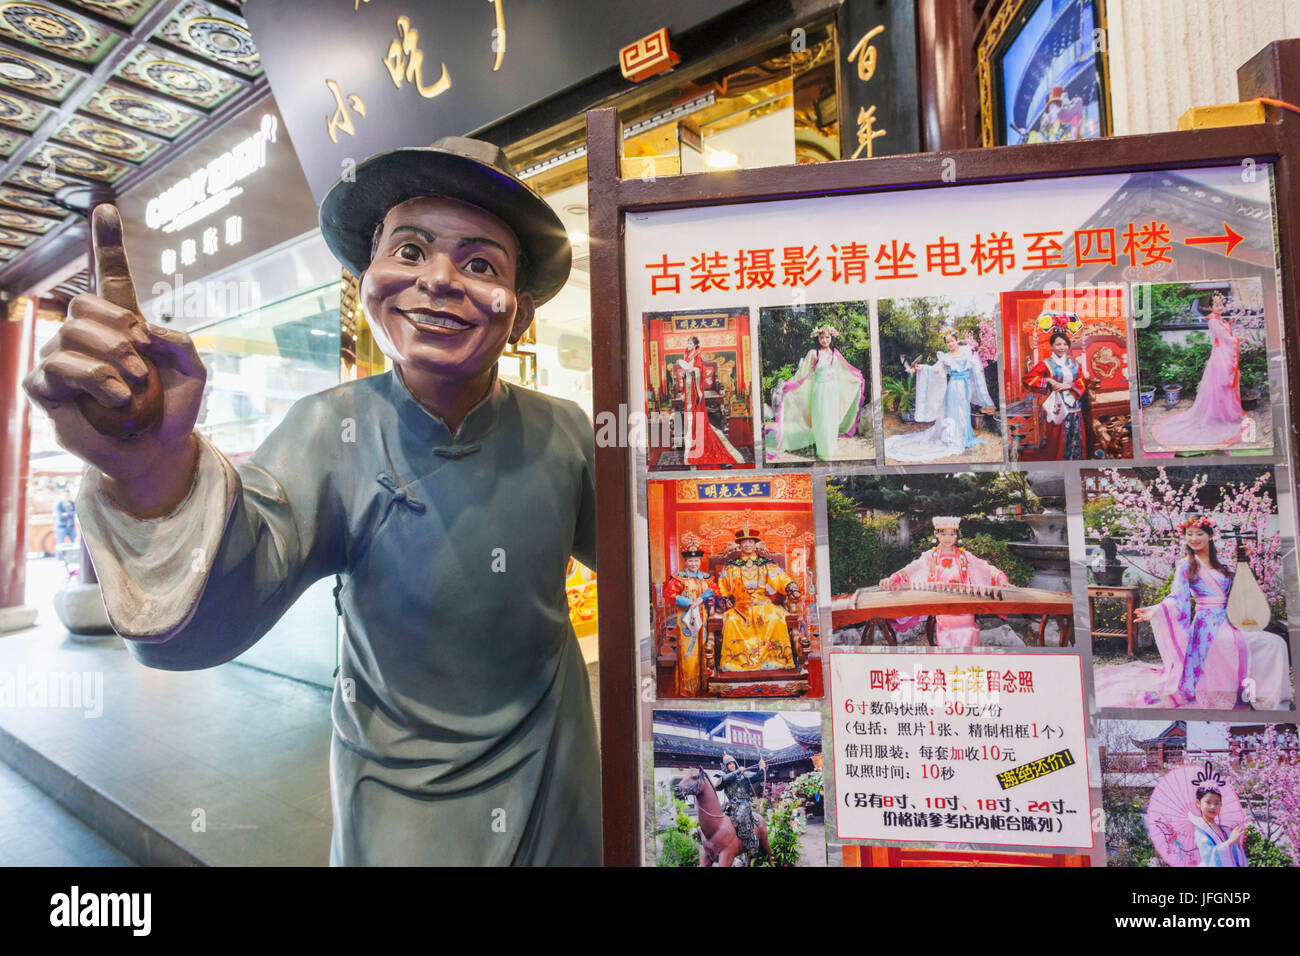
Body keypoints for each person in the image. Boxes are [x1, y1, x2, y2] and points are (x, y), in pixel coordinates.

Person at [22, 137, 600, 866]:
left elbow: (649, 566)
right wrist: (149, 467)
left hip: (556, 767)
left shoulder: (566, 432)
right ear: (367, 281)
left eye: (481, 264)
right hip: (397, 792)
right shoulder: (331, 428)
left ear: (521, 314)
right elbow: (231, 590)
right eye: (411, 251)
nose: (439, 280)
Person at [1133, 517, 1288, 710]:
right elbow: (1177, 596)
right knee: (1249, 645)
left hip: (1231, 618)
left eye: (1199, 534)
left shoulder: (1223, 564)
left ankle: (1270, 698)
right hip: (1206, 626)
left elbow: (1242, 589)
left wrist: (1245, 562)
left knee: (1275, 643)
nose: (1194, 538)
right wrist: (1157, 609)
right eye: (1189, 534)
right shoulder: (1186, 564)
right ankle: (1238, 693)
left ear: (1211, 536)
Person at [879, 516, 1009, 647]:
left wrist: (1002, 579)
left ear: (957, 535)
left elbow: (985, 568)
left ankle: (968, 657)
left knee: (969, 628)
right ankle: (948, 657)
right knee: (947, 629)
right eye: (943, 534)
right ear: (936, 534)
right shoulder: (931, 556)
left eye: (952, 534)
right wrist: (893, 578)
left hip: (963, 602)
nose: (948, 538)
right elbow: (912, 568)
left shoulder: (964, 556)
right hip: (942, 603)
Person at [885, 329, 996, 463]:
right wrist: (923, 368)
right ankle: (954, 438)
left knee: (964, 410)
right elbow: (936, 369)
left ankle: (965, 436)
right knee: (954, 411)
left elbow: (975, 369)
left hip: (966, 387)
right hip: (954, 387)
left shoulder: (966, 352)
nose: (950, 344)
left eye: (952, 341)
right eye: (948, 343)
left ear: (957, 340)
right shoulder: (946, 357)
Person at [1151, 292, 1245, 449]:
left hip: (1224, 354)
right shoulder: (1213, 320)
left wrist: (1230, 323)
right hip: (1221, 356)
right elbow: (1224, 338)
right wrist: (1238, 339)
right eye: (1216, 305)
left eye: (1221, 304)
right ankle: (1218, 417)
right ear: (1210, 307)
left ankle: (1226, 415)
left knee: (1225, 386)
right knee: (1221, 384)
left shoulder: (1220, 319)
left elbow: (1224, 332)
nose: (1220, 307)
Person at [767, 324, 865, 461]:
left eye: (827, 337)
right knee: (821, 419)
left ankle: (830, 448)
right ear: (817, 338)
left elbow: (843, 372)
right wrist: (790, 384)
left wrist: (856, 378)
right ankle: (823, 450)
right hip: (820, 390)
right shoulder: (814, 353)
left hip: (833, 391)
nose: (825, 340)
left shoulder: (835, 354)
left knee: (831, 419)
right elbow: (803, 373)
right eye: (822, 337)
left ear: (832, 338)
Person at [716, 526, 801, 672]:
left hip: (762, 603)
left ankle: (773, 660)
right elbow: (722, 586)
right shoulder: (731, 566)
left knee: (775, 618)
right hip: (740, 605)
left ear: (755, 544)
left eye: (750, 542)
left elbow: (780, 578)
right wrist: (725, 599)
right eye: (744, 542)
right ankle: (737, 661)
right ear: (740, 545)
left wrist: (791, 588)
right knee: (731, 621)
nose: (747, 545)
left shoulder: (766, 564)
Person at [661, 533, 716, 696]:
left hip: (703, 617)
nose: (693, 563)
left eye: (696, 560)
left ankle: (704, 684)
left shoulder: (706, 578)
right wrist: (688, 602)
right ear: (685, 562)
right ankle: (689, 687)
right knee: (688, 651)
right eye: (690, 561)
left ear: (700, 561)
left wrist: (702, 598)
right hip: (685, 618)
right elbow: (669, 594)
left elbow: (714, 590)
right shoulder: (679, 578)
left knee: (704, 647)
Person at [675, 335, 744, 467]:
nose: (689, 345)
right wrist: (684, 373)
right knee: (690, 415)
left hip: (694, 391)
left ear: (696, 345)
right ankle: (691, 434)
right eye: (688, 343)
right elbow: (687, 371)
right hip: (688, 391)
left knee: (697, 414)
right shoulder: (687, 356)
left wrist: (692, 370)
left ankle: (697, 436)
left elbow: (700, 370)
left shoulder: (697, 357)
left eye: (691, 344)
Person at [1023, 329, 1086, 460]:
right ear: (1051, 346)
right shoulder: (1046, 364)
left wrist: (1069, 386)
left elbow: (1082, 380)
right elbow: (1028, 379)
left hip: (1074, 404)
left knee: (1076, 433)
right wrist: (1048, 380)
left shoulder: (1073, 363)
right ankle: (1059, 460)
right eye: (1058, 344)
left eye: (1065, 344)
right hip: (1057, 404)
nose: (1062, 347)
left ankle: (1076, 460)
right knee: (1057, 436)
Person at [1188, 764, 1246, 867]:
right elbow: (1209, 856)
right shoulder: (1201, 829)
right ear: (1198, 803)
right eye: (1208, 802)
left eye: (1217, 803)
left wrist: (1236, 843)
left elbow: (1233, 855)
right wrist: (1229, 842)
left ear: (1221, 805)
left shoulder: (1223, 829)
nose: (1213, 807)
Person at [718, 752, 766, 863]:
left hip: (743, 803)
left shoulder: (744, 774)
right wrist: (738, 771)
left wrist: (762, 768)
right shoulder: (725, 776)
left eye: (733, 763)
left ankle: (751, 844)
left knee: (740, 818)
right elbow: (719, 784)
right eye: (729, 764)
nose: (732, 765)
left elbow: (757, 776)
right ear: (726, 766)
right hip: (731, 804)